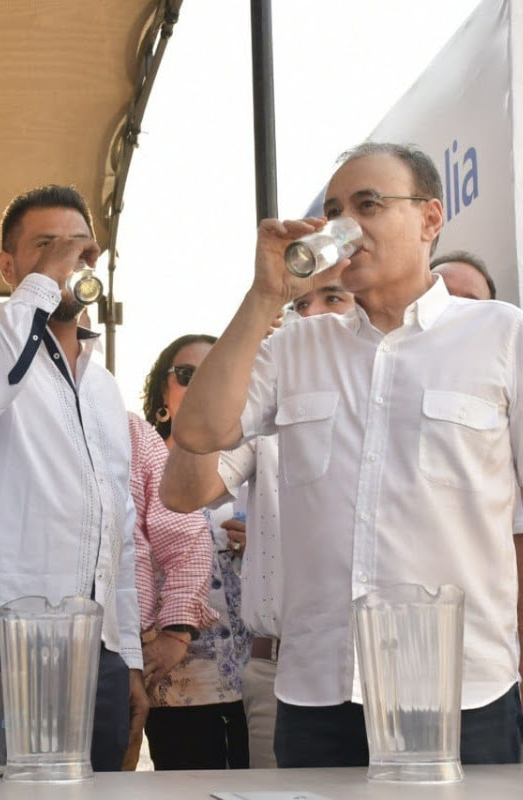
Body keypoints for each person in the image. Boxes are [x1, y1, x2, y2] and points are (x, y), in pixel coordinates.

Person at [172, 141, 523, 768]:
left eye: (369, 204)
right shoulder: (296, 347)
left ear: (430, 218)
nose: (347, 225)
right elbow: (200, 432)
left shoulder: (501, 334)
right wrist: (265, 296)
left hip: (464, 695)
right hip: (319, 695)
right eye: (335, 209)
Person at [0, 184, 145, 772]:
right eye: (45, 245)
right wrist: (43, 285)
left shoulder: (104, 386)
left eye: (78, 249)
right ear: (7, 265)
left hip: (93, 648)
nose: (65, 259)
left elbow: (116, 525)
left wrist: (127, 654)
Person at [161, 284, 355, 769]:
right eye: (300, 305)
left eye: (333, 299)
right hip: (282, 672)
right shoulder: (267, 408)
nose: (313, 316)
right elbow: (183, 493)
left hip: (401, 667)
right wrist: (224, 372)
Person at [431, 251, 523, 743]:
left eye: (470, 303)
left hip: (477, 687)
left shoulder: (504, 412)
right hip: (356, 686)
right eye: (443, 297)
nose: (455, 313)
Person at [137, 335, 251, 770]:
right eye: (187, 376)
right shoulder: (139, 466)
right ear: (162, 394)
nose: (202, 385)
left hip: (255, 686)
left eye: (215, 374)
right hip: (177, 684)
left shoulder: (257, 467)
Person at [124, 408, 219, 769]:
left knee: (104, 783)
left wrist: (177, 629)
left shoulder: (128, 429)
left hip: (113, 652)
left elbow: (186, 535)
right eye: (184, 376)